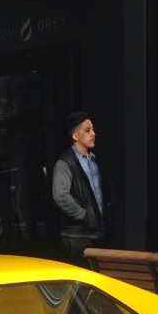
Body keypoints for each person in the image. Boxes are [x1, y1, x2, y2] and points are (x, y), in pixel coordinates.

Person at [51, 111, 106, 259]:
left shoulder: (96, 160)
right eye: (87, 131)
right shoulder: (65, 162)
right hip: (77, 236)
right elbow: (60, 195)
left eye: (93, 129)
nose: (93, 133)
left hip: (98, 233)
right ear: (75, 136)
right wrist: (83, 215)